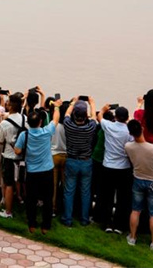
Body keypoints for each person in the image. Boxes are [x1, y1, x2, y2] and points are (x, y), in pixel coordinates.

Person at [14, 98, 62, 234]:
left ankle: (32, 224)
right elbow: (56, 120)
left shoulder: (25, 135)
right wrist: (57, 107)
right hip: (47, 170)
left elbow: (17, 151)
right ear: (40, 122)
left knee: (31, 199)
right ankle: (46, 225)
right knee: (47, 199)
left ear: (28, 123)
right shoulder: (46, 131)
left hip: (32, 172)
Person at [124, 119, 153, 250]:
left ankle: (132, 237)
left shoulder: (128, 146)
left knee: (135, 210)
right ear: (142, 129)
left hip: (138, 179)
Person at [61, 97, 98, 227]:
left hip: (71, 160)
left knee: (69, 191)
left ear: (74, 114)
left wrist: (73, 102)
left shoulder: (68, 125)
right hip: (86, 162)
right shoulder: (91, 127)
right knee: (86, 192)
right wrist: (92, 103)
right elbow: (94, 116)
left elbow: (66, 114)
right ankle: (84, 219)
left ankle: (67, 219)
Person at [97, 104, 134, 234]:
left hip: (108, 166)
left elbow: (99, 116)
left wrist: (104, 108)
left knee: (107, 196)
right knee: (122, 198)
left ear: (115, 117)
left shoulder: (109, 126)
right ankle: (119, 225)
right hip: (124, 168)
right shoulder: (129, 131)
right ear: (127, 118)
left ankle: (106, 222)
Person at [0, 92, 25, 218]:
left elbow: (0, 140)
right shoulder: (25, 119)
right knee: (21, 181)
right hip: (22, 156)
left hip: (9, 156)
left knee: (8, 184)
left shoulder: (4, 123)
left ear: (11, 107)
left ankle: (8, 212)